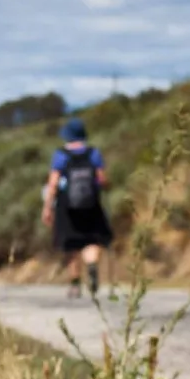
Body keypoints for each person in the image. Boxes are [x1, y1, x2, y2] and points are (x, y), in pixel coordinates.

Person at [43, 117, 114, 299]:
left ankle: (75, 284)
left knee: (71, 245)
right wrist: (103, 187)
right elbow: (103, 179)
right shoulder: (93, 153)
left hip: (67, 206)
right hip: (91, 205)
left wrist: (48, 207)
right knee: (91, 239)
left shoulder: (60, 155)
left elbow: (53, 184)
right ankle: (91, 266)